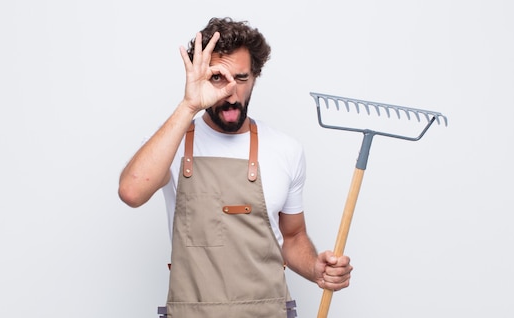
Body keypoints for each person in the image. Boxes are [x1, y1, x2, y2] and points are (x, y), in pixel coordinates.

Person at [118, 17, 352, 318]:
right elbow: (131, 191)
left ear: (255, 76)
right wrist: (189, 105)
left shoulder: (285, 150)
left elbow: (292, 238)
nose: (230, 92)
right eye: (218, 78)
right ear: (200, 77)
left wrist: (316, 269)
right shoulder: (170, 144)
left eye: (241, 78)